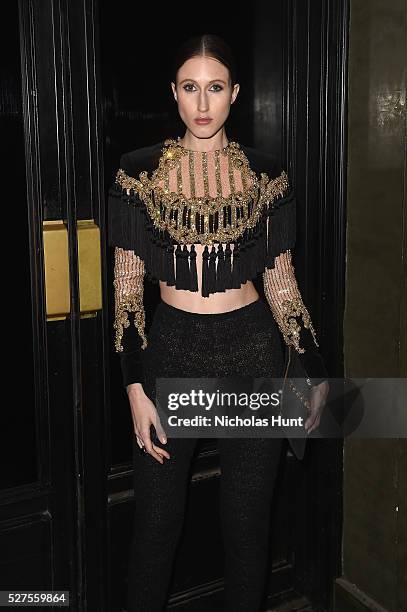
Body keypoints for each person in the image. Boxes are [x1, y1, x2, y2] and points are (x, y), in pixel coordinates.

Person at [107, 34, 329, 612]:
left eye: (214, 88)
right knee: (155, 530)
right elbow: (127, 289)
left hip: (253, 352)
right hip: (171, 352)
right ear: (173, 95)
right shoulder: (136, 175)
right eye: (189, 88)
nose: (202, 103)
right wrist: (134, 386)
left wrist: (311, 372)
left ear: (234, 94)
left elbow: (282, 286)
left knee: (247, 530)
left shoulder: (268, 176)